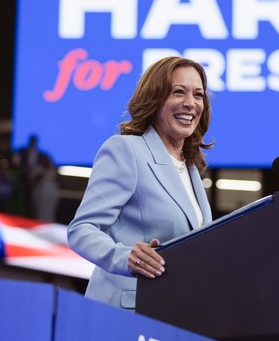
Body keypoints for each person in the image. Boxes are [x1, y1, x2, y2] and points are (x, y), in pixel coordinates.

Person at [67, 56, 214, 310]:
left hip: (175, 314)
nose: (190, 103)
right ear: (155, 99)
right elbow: (82, 229)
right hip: (127, 314)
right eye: (178, 92)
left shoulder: (191, 168)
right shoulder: (126, 150)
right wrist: (125, 257)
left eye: (198, 95)